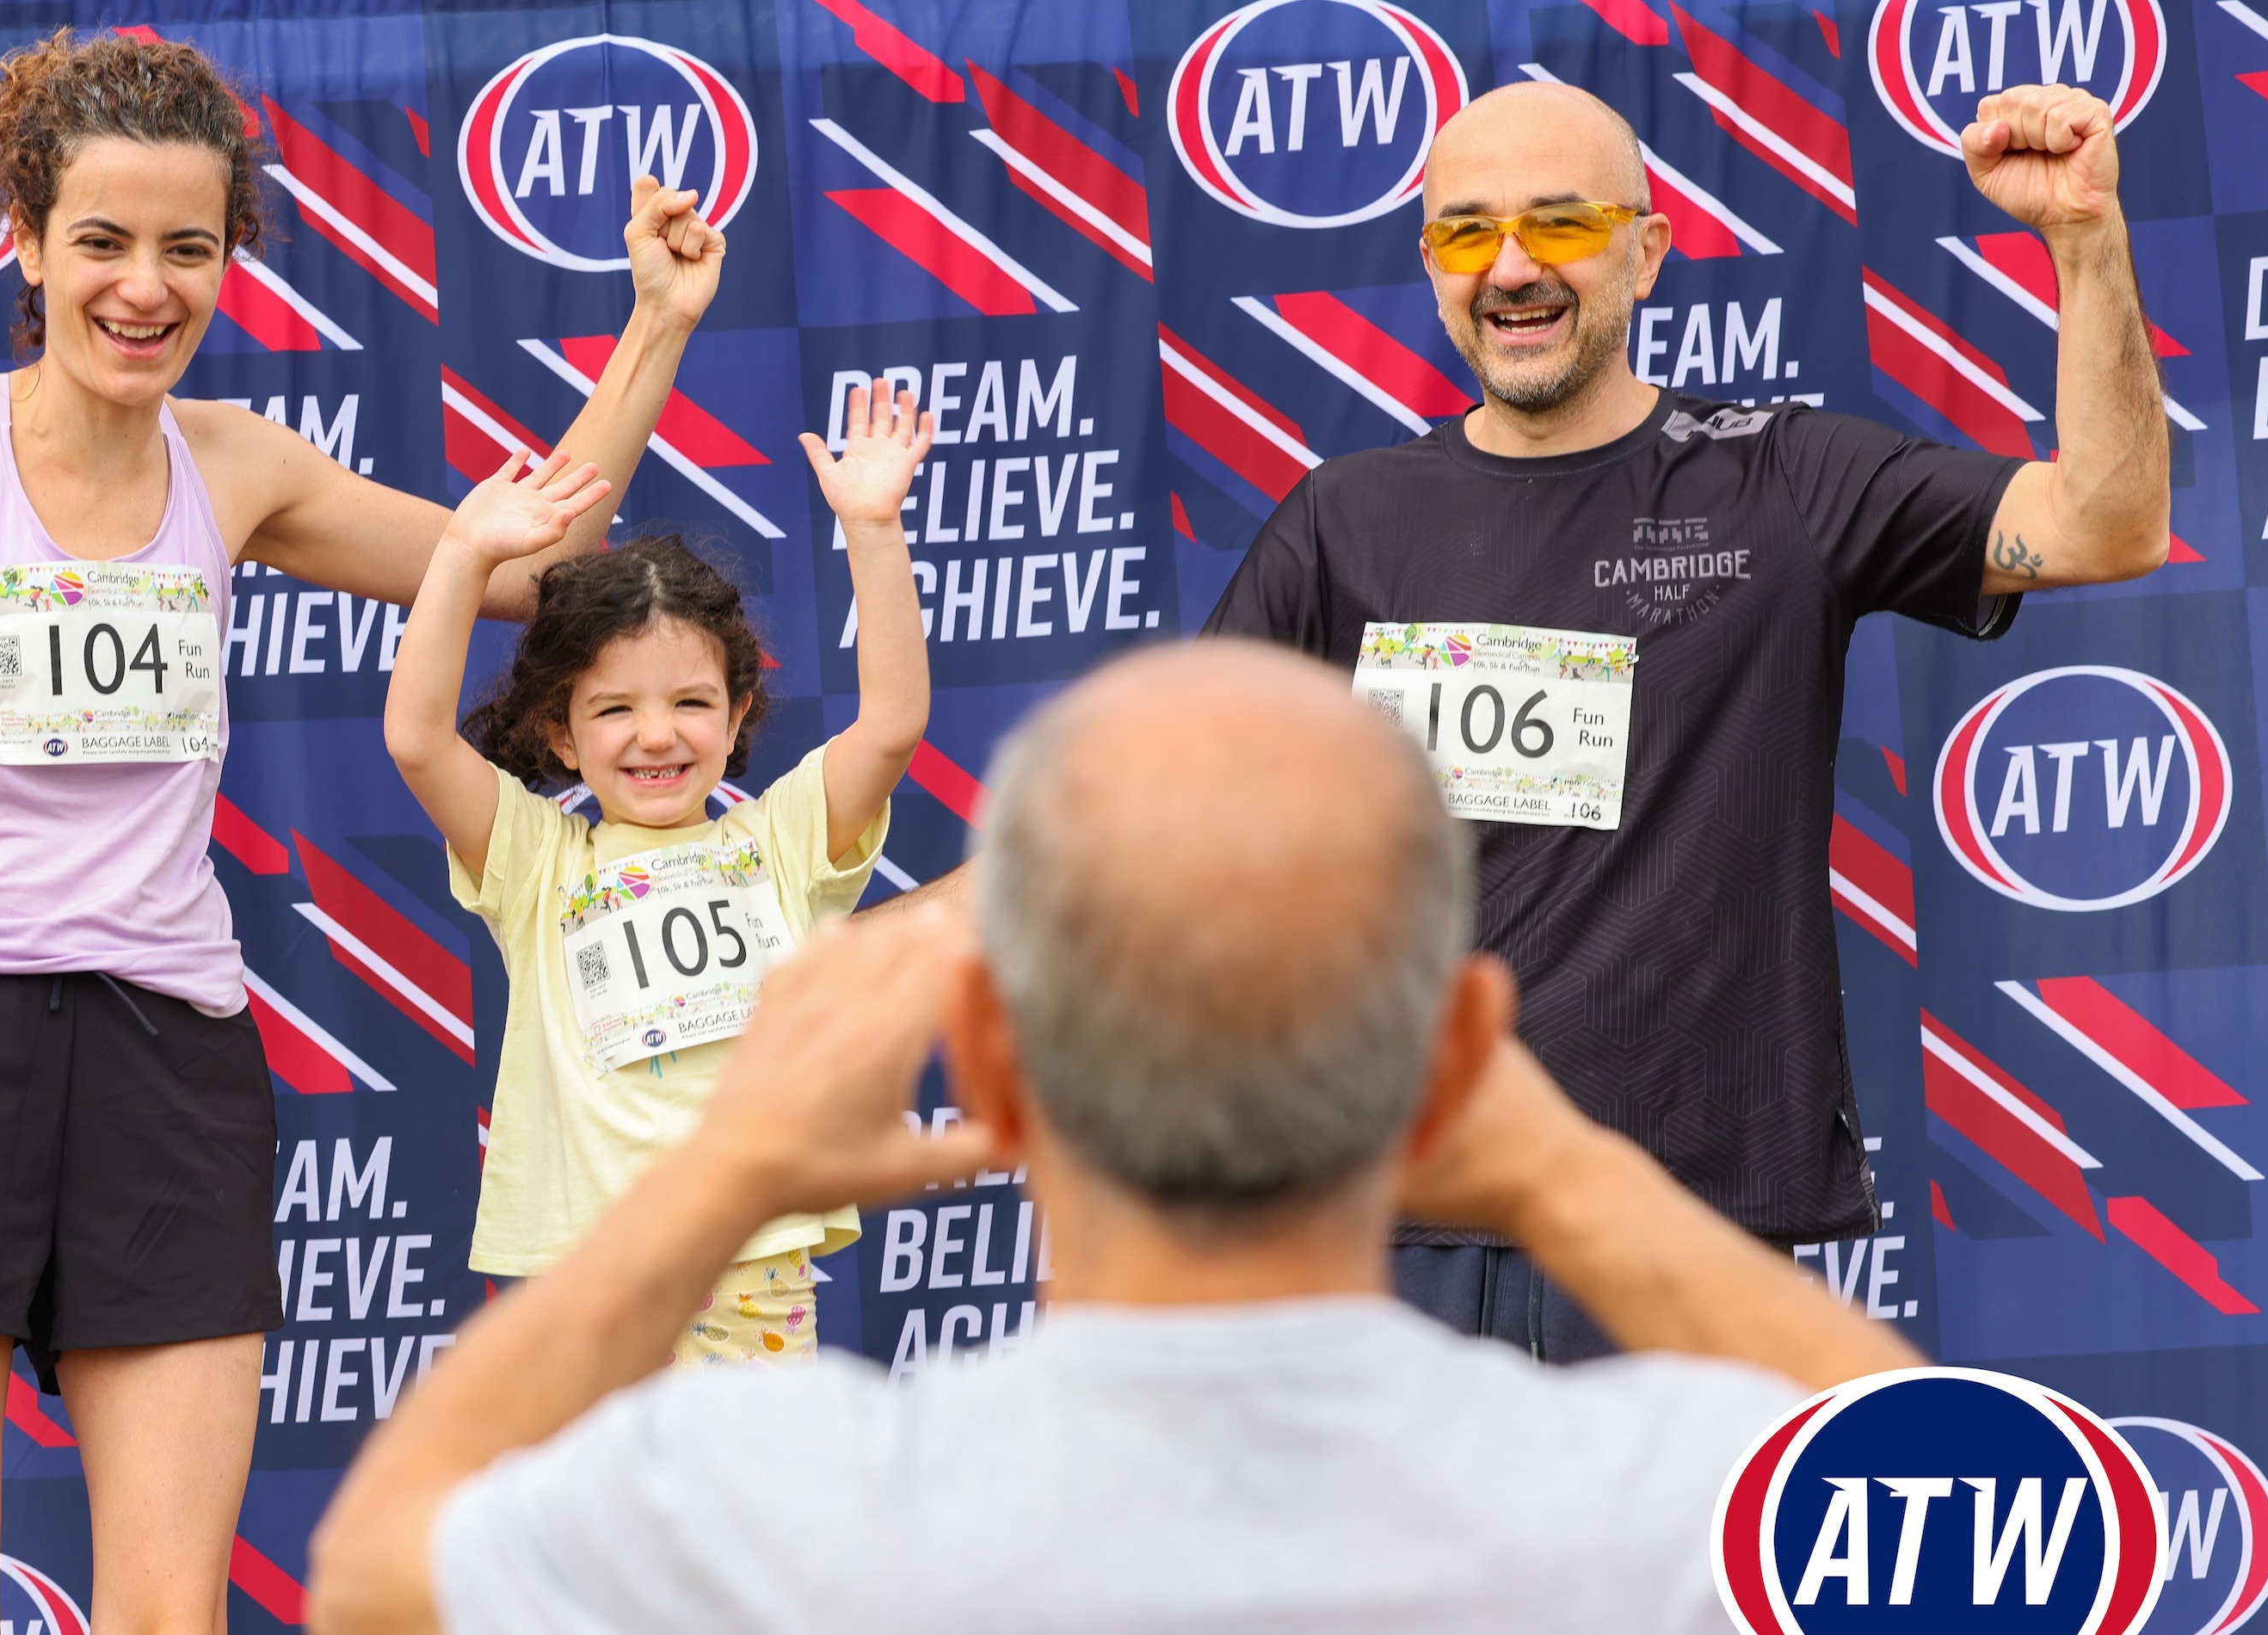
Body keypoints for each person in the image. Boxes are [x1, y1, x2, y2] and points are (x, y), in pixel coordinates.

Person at [0, 30, 722, 1635]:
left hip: (167, 1053)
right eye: (100, 241)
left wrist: (653, 327)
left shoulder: (236, 467)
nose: (142, 288)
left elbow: (522, 568)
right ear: (23, 241)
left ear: (230, 261)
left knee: (171, 1610)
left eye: (188, 248)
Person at [913, 80, 2172, 1357]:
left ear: (1647, 247)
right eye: (1467, 233)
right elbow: (1135, 829)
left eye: (1559, 224)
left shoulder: (1783, 479)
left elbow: (2104, 526)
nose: (1511, 267)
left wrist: (2085, 241)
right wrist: (813, 976)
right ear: (1429, 261)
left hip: (1690, 1230)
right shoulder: (1346, 520)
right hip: (1383, 1221)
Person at [307, 641, 1921, 1634]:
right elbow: (2013, 1540)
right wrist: (1568, 1174)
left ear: (993, 1079)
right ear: (1458, 1071)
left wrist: (728, 1170)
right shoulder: (1666, 1497)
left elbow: (375, 1571)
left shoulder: (774, 1509)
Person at [382, 384, 934, 1362]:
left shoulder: (781, 841)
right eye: (613, 711)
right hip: (586, 1271)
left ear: (736, 713)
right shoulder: (536, 861)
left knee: (746, 1514)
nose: (655, 735)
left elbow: (889, 725)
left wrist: (874, 529)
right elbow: (418, 738)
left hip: (749, 1258)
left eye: (690, 701)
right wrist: (463, 557)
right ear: (559, 729)